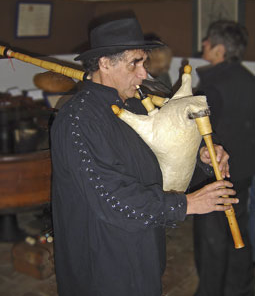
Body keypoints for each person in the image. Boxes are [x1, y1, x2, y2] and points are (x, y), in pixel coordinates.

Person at [51, 17, 238, 296]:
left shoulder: (136, 107)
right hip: (103, 264)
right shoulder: (77, 120)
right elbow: (111, 200)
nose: (143, 74)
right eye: (134, 63)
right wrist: (186, 204)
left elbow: (164, 163)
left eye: (143, 63)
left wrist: (202, 158)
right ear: (105, 63)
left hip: (142, 250)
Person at [192, 20, 255, 296]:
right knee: (237, 232)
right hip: (243, 171)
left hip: (216, 173)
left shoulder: (213, 84)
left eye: (207, 41)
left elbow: (198, 131)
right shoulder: (248, 78)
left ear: (219, 49)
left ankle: (211, 291)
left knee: (212, 240)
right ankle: (239, 288)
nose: (203, 44)